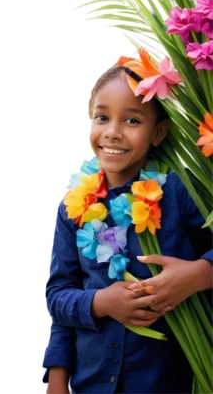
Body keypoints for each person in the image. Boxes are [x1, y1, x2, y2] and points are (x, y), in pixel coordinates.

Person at [42, 65, 213, 394]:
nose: (113, 132)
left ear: (158, 133)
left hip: (165, 383)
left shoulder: (180, 194)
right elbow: (59, 296)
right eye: (102, 117)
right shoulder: (71, 210)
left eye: (132, 120)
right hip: (88, 384)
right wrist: (101, 303)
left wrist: (199, 274)